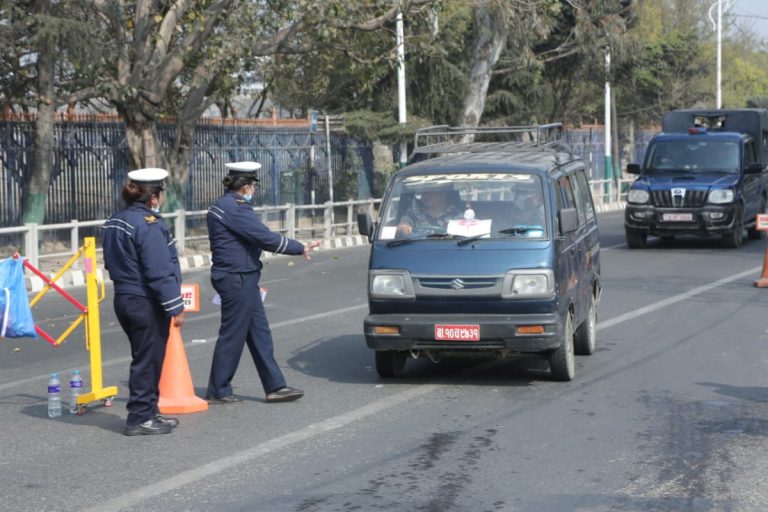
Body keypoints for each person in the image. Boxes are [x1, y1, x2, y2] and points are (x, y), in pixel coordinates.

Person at [206, 161, 320, 404]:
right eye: (253, 187)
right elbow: (264, 237)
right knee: (233, 334)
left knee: (259, 332)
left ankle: (275, 386)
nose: (254, 191)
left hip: (242, 277)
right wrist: (299, 247)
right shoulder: (235, 209)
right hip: (237, 278)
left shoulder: (223, 205)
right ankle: (218, 389)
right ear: (247, 187)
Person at [101, 168, 185, 436]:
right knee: (147, 360)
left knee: (147, 356)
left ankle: (149, 411)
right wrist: (175, 306)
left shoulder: (116, 220)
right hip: (145, 300)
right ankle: (139, 418)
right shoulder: (148, 224)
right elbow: (159, 269)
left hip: (124, 297)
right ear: (153, 197)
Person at [396, 187, 463, 237]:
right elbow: (402, 225)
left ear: (443, 193)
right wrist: (403, 228)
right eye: (423, 192)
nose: (425, 195)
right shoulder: (412, 214)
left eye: (430, 192)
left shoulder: (458, 216)